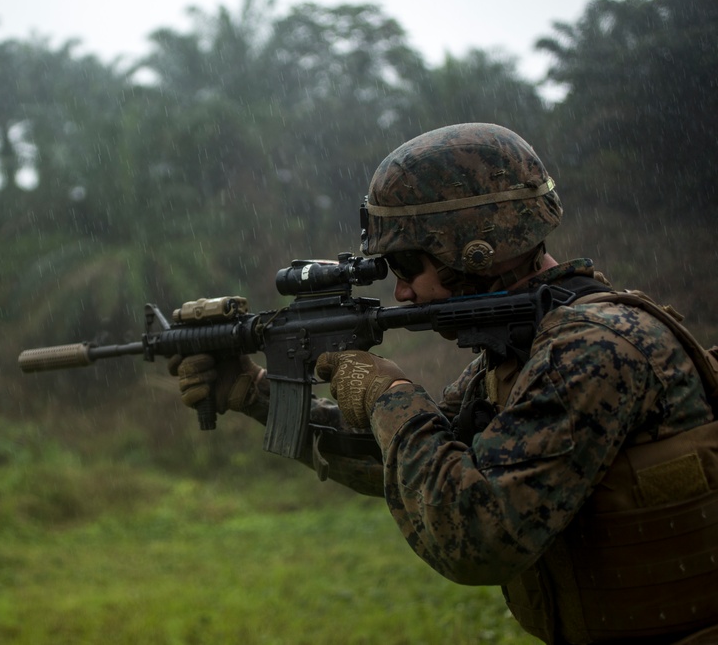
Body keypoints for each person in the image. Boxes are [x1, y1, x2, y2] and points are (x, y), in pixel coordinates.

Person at [168, 123, 718, 645]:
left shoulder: (593, 349)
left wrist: (388, 394)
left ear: (473, 247)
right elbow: (416, 462)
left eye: (407, 266)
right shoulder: (525, 351)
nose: (402, 293)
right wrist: (256, 395)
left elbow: (475, 533)